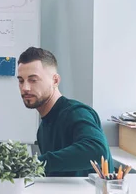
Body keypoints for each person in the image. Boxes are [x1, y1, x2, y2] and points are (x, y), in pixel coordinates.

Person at [17, 47, 113, 177]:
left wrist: (33, 164)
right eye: (21, 81)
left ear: (55, 80)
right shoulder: (42, 129)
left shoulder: (76, 113)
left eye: (33, 80)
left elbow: (97, 151)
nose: (25, 88)